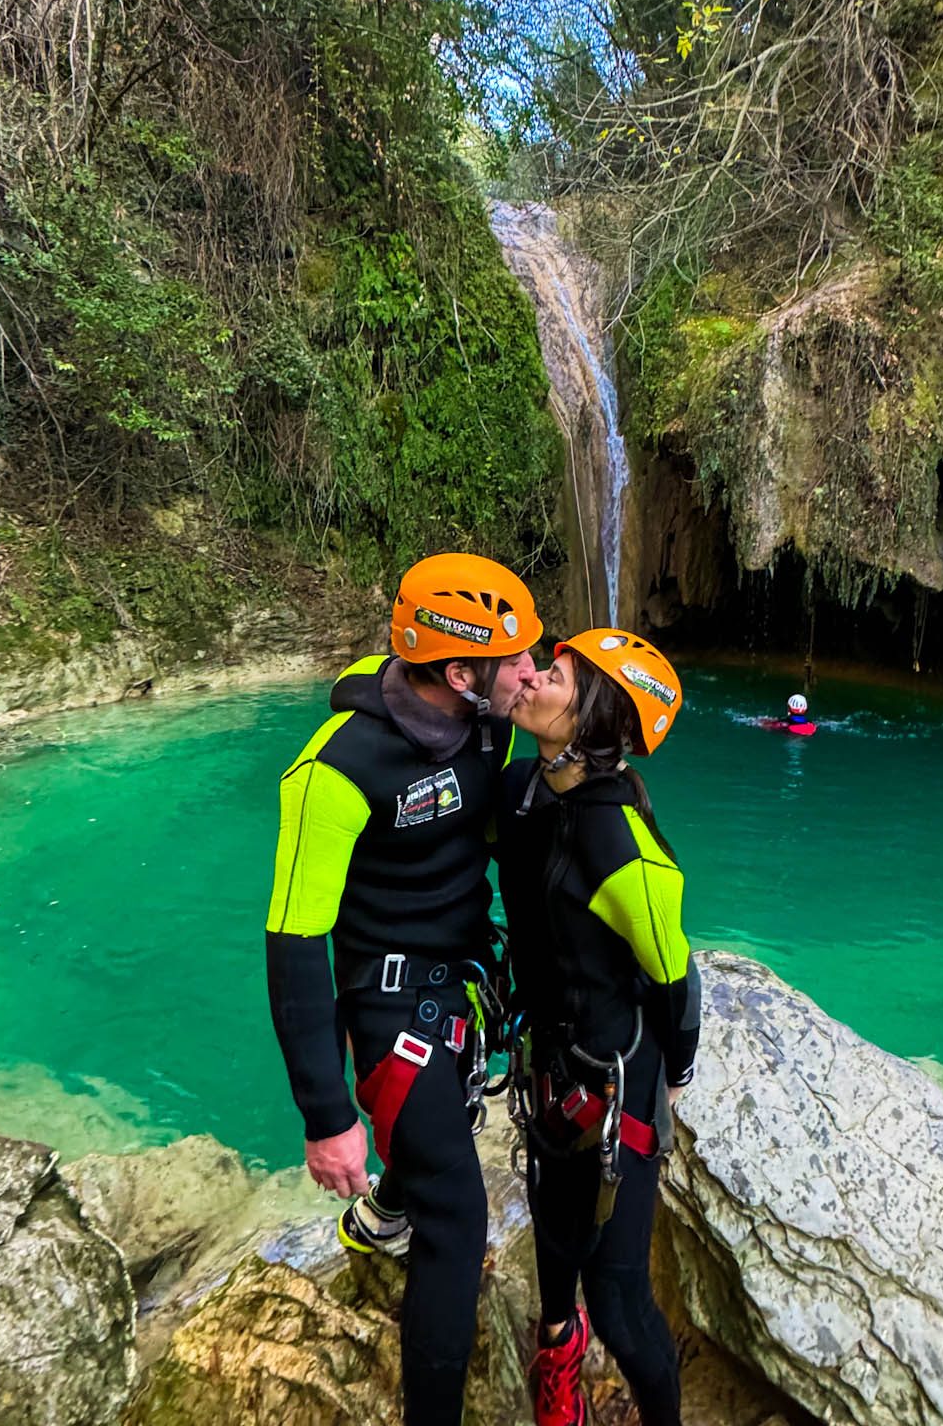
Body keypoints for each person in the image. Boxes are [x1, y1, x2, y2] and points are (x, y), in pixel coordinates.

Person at [264, 552, 543, 1426]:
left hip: (464, 973)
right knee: (459, 1222)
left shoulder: (486, 721)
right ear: (460, 674)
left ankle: (388, 1208)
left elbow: (488, 826)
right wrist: (327, 1119)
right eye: (519, 661)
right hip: (389, 1008)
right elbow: (293, 941)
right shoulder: (333, 773)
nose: (535, 673)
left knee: (445, 1140)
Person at [496, 628, 699, 1426]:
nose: (535, 678)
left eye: (557, 675)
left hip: (619, 1092)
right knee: (553, 1234)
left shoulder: (618, 839)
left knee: (619, 1305)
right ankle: (558, 1354)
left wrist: (674, 1078)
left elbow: (673, 976)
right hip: (551, 1067)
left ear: (596, 722)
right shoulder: (520, 794)